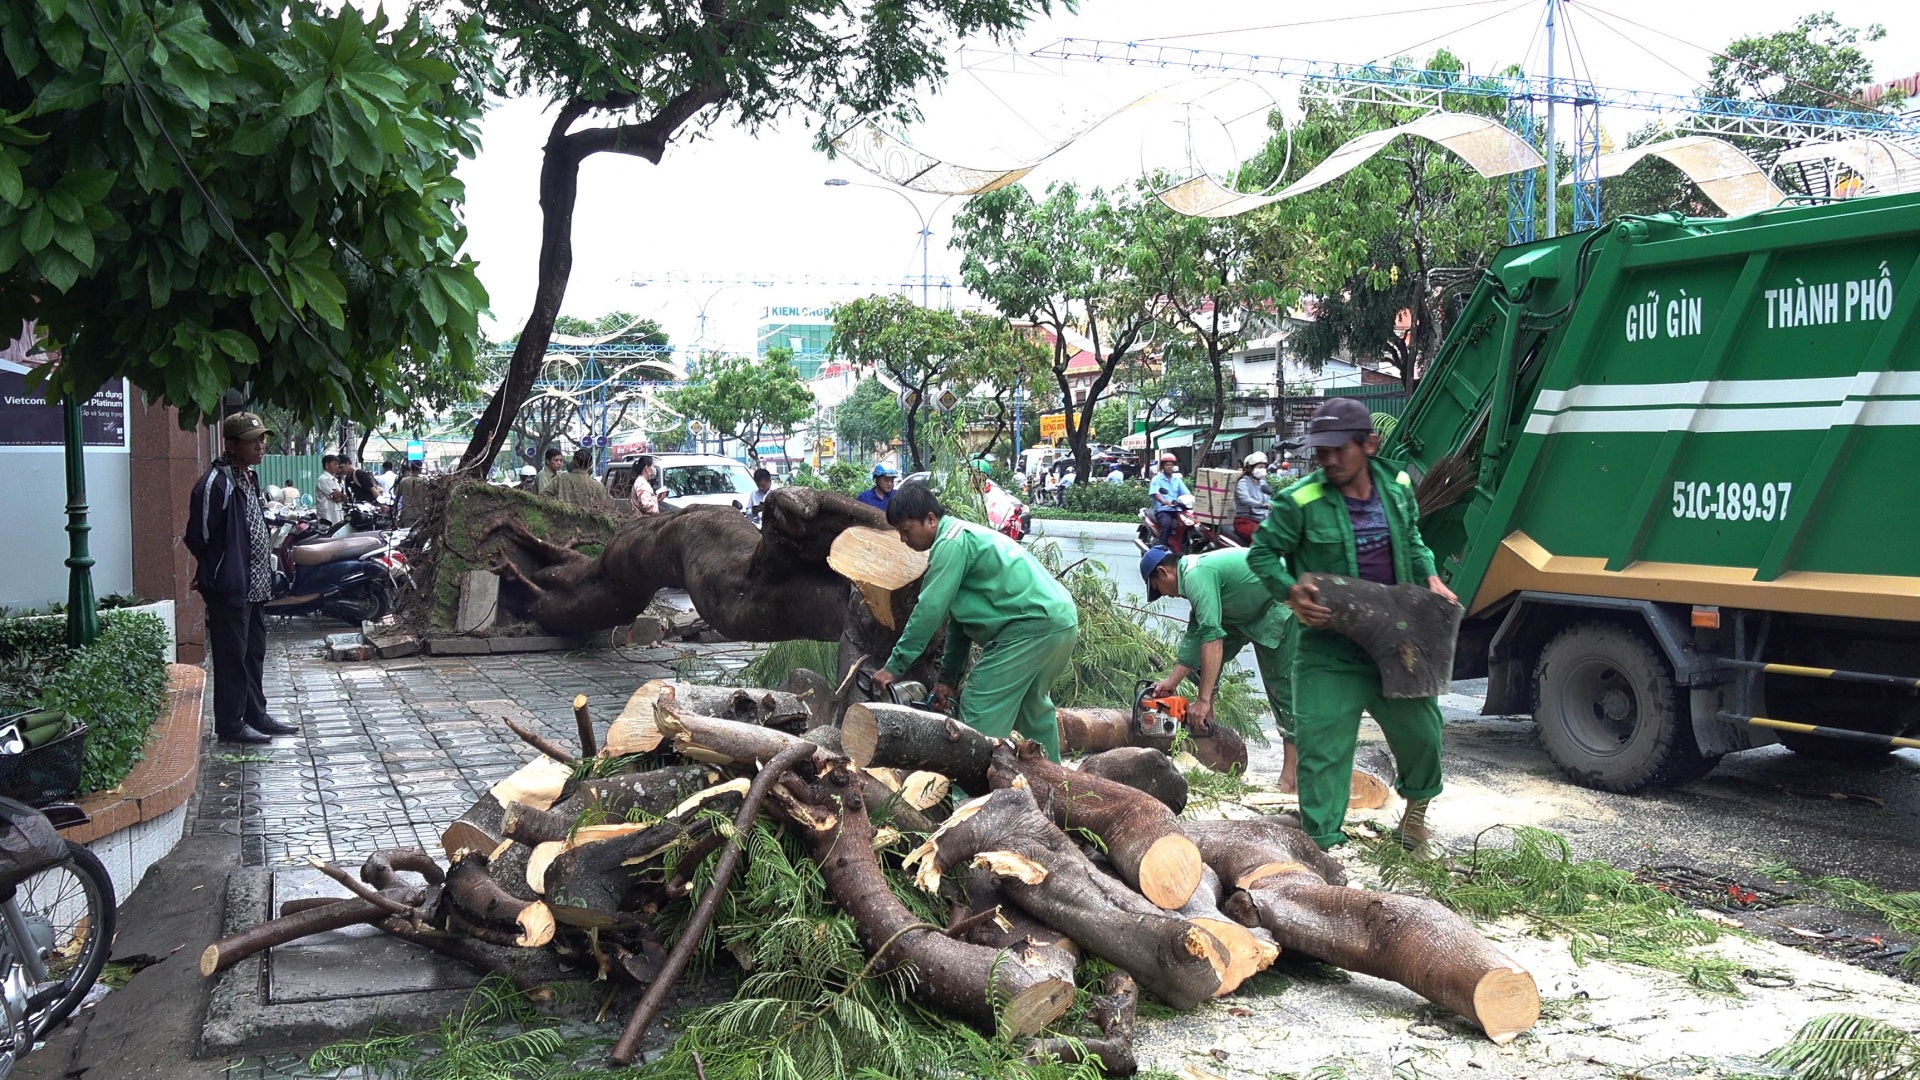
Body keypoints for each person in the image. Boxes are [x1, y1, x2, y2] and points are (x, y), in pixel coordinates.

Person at [1247, 397, 1458, 855]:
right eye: (1321, 452)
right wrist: (1291, 591)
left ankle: (1415, 820)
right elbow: (1261, 555)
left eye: (1340, 449)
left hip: (1399, 641)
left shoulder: (1399, 485)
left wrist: (1432, 577)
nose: (1330, 460)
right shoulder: (1299, 501)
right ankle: (1323, 849)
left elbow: (1415, 541)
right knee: (1321, 747)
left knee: (1422, 734)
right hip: (1329, 648)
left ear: (1369, 444)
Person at [870, 484, 1078, 762]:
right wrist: (948, 680)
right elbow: (959, 625)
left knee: (979, 708)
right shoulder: (964, 536)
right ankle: (1055, 785)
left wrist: (894, 667)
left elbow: (929, 610)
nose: (903, 539)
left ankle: (969, 798)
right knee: (1032, 710)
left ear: (930, 519)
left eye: (906, 531)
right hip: (1060, 620)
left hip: (1028, 627)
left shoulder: (950, 544)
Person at [1141, 546, 1300, 792]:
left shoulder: (1196, 575)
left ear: (1163, 572)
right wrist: (1170, 682)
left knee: (1283, 689)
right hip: (1240, 612)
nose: (1165, 595)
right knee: (1198, 666)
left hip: (1276, 604)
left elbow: (1212, 638)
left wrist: (1203, 700)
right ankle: (1208, 730)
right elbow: (1194, 639)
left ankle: (1291, 780)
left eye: (1158, 588)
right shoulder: (1191, 576)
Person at [184, 413, 300, 744]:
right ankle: (230, 725)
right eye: (252, 441)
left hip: (255, 586)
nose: (260, 445)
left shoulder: (247, 477)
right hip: (230, 587)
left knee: (253, 653)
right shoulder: (215, 483)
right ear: (232, 445)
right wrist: (217, 568)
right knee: (231, 656)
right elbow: (199, 535)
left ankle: (255, 714)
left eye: (262, 439)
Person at [551, 448, 616, 513]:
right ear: (590, 464)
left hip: (561, 520)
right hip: (588, 522)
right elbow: (609, 505)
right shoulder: (596, 485)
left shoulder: (560, 478)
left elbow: (543, 497)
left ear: (574, 461)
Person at [1149, 453, 1190, 548]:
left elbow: (1186, 493)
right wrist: (1165, 502)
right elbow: (1156, 494)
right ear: (1163, 466)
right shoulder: (1157, 479)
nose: (1169, 467)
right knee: (1167, 524)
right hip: (1163, 510)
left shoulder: (1177, 480)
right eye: (1167, 465)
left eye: (1171, 465)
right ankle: (1161, 547)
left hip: (1177, 510)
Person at [1233, 451, 1274, 543]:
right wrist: (1263, 505)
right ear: (1250, 468)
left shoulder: (1263, 483)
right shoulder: (1243, 482)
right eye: (1260, 467)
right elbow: (1245, 499)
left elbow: (1269, 499)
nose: (1262, 469)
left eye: (1264, 467)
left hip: (1263, 522)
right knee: (1263, 538)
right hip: (1245, 521)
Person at [313, 453, 347, 527]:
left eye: (338, 464)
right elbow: (337, 499)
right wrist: (341, 496)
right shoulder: (324, 479)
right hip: (328, 519)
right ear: (327, 465)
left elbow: (343, 498)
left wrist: (341, 495)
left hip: (337, 517)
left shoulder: (335, 480)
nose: (337, 466)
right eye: (335, 464)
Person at [396, 461, 429, 527]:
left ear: (411, 468)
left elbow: (397, 497)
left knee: (407, 534)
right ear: (420, 468)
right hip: (420, 514)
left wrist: (394, 512)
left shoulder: (404, 481)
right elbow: (427, 499)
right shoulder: (424, 481)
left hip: (407, 515)